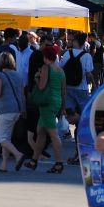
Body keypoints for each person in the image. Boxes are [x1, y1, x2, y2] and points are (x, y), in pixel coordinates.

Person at [24, 45, 66, 174]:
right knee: (40, 132)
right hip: (56, 101)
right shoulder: (60, 70)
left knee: (53, 134)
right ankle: (33, 161)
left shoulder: (46, 68)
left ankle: (59, 163)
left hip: (47, 103)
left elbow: (41, 87)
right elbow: (64, 90)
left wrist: (37, 78)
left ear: (45, 56)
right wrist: (63, 107)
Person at [0, 51, 27, 172]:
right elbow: (22, 94)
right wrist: (23, 109)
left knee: (0, 138)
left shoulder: (0, 76)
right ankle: (4, 165)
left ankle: (18, 154)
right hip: (17, 110)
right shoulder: (18, 75)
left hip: (4, 110)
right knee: (7, 138)